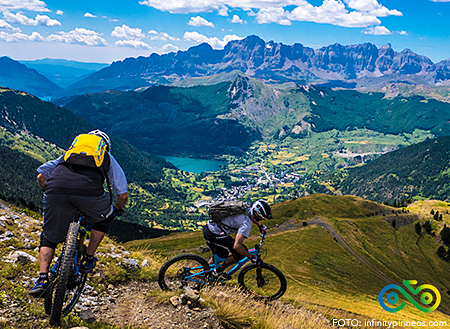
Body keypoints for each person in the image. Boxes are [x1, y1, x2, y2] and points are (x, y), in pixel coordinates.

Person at [29, 130, 128, 297]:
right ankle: (89, 259)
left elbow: (41, 176)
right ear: (105, 146)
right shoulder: (106, 157)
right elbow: (122, 195)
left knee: (49, 235)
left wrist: (52, 194)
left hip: (56, 191)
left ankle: (42, 279)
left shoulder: (68, 154)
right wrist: (117, 209)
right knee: (105, 218)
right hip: (90, 194)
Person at [203, 199, 272, 280]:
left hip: (210, 228)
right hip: (214, 233)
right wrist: (250, 257)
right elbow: (237, 246)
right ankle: (218, 271)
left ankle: (205, 273)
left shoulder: (246, 208)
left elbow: (249, 217)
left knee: (222, 254)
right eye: (261, 217)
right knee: (241, 253)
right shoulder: (246, 224)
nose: (262, 219)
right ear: (256, 213)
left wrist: (260, 225)